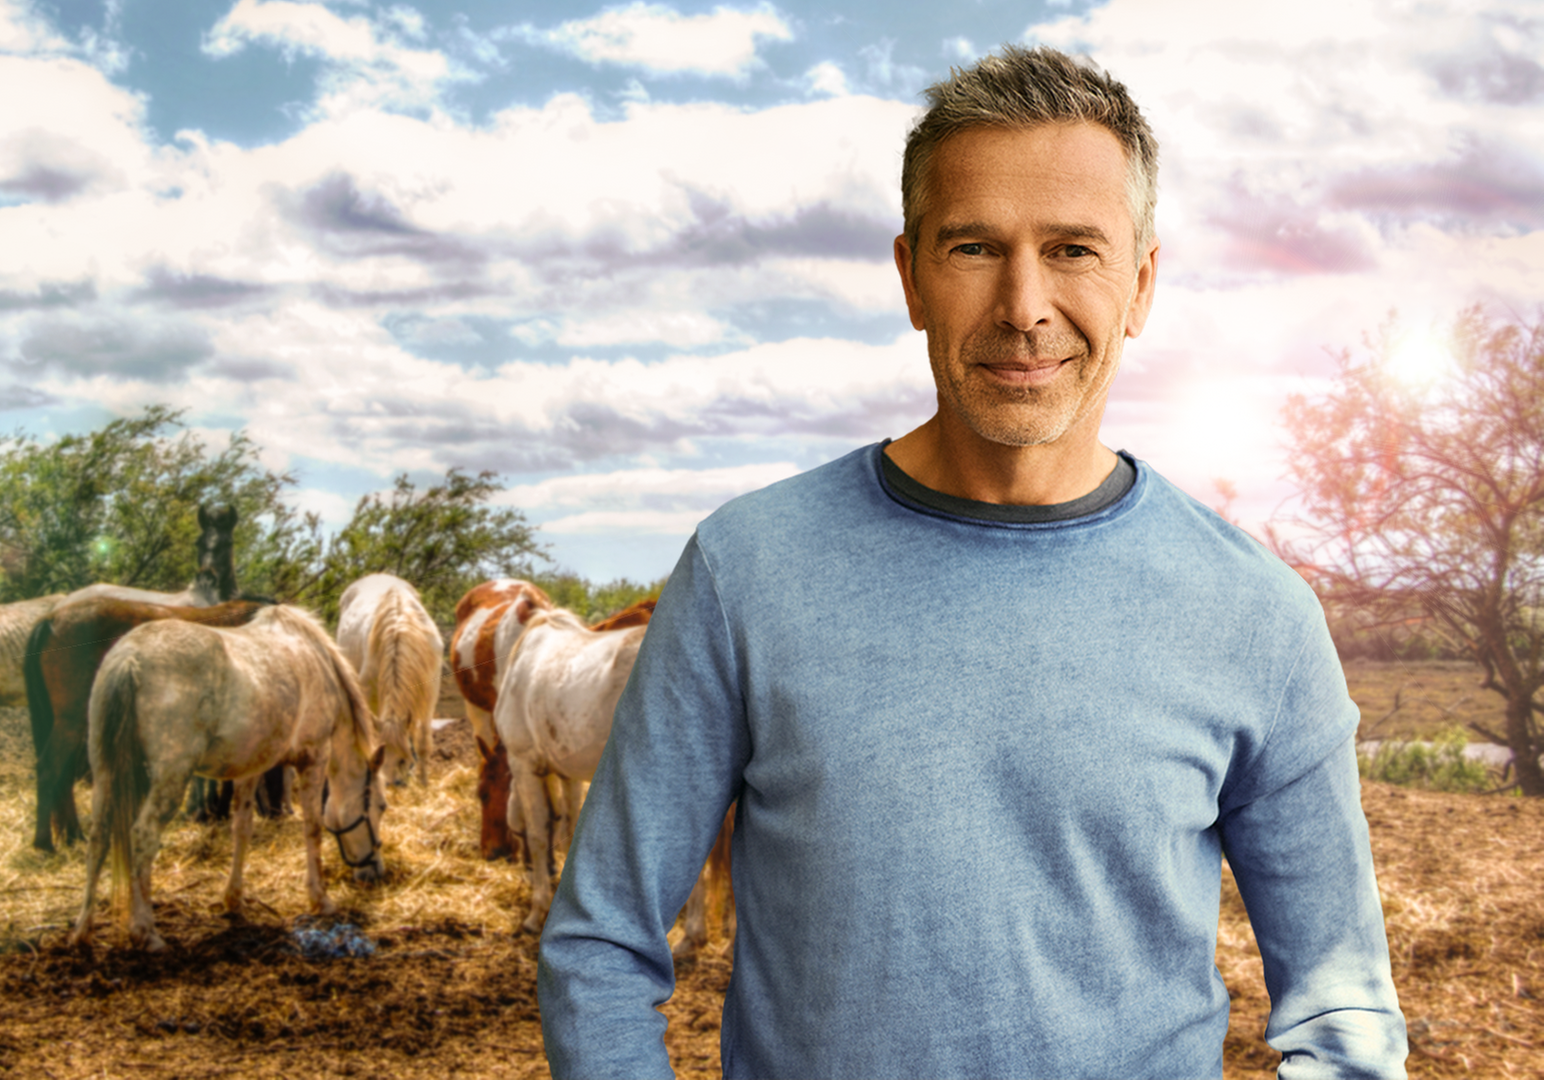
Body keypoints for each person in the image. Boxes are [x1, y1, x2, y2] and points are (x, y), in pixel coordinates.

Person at [535, 44, 1408, 1080]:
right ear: (910, 275)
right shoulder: (746, 571)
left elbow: (1343, 1009)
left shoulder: (1257, 616)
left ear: (1141, 283)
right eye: (973, 248)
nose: (1023, 304)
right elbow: (601, 947)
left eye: (1075, 249)